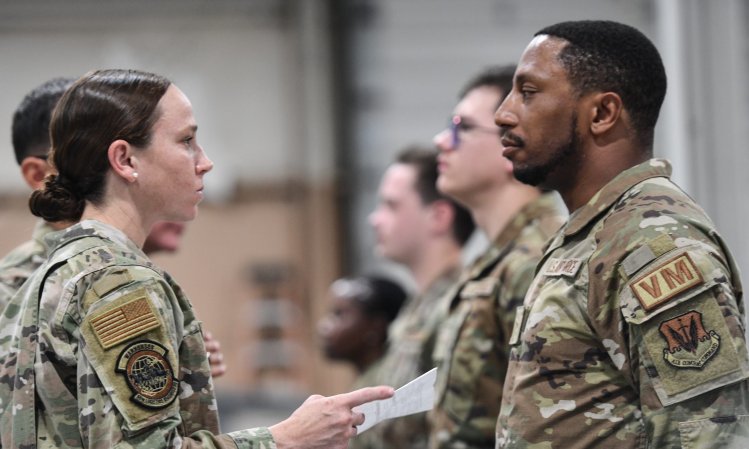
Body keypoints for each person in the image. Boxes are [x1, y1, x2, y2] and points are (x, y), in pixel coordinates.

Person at [0, 69, 393, 449]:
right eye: (186, 141)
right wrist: (286, 438)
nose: (204, 161)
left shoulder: (59, 268)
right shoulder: (118, 282)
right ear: (125, 160)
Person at [493, 20, 749, 448]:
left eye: (529, 92)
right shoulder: (596, 232)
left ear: (602, 113)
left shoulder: (651, 242)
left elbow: (706, 436)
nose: (503, 113)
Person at [0, 78, 228, 379]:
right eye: (75, 154)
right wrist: (284, 430)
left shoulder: (106, 265)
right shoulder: (98, 276)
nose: (203, 163)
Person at [429, 66, 565, 449]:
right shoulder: (495, 259)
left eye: (462, 127)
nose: (442, 141)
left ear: (512, 144)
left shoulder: (535, 260)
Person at [367, 146, 475, 449]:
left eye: (391, 205)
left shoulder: (460, 305)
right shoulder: (420, 305)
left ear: (438, 217)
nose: (375, 219)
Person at [318, 275, 407, 384]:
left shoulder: (391, 385)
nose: (323, 326)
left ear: (376, 327)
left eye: (339, 314)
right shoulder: (368, 381)